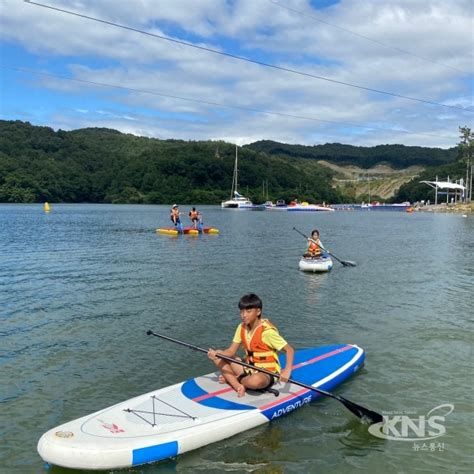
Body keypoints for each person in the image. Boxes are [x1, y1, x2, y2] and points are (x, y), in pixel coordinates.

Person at [207, 293, 294, 398]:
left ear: (258, 312)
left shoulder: (267, 332)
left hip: (266, 373)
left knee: (255, 381)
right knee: (220, 354)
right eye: (242, 311)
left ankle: (232, 378)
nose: (244, 315)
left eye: (248, 311)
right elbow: (231, 351)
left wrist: (287, 370)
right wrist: (215, 355)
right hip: (248, 368)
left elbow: (289, 350)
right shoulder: (241, 327)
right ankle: (238, 385)